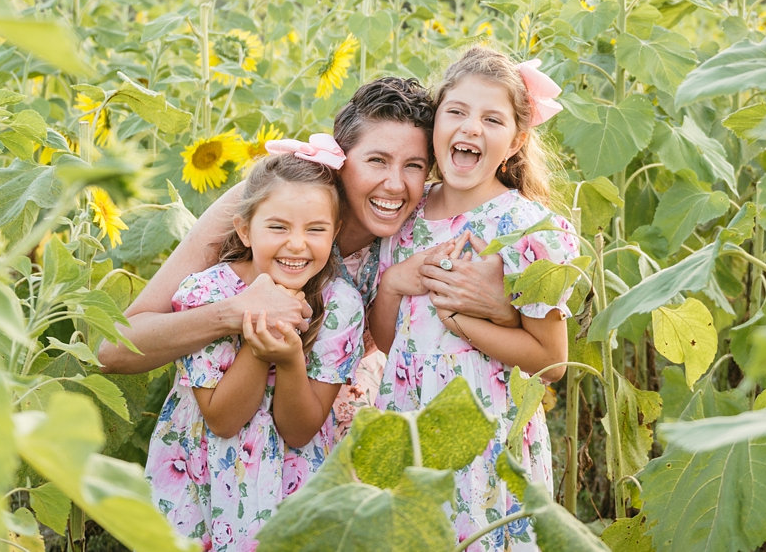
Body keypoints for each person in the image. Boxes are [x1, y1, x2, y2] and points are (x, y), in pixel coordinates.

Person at [99, 76, 519, 441]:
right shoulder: (268, 206)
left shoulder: (428, 225)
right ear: (340, 157)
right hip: (216, 447)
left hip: (331, 443)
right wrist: (235, 312)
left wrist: (503, 308)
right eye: (376, 160)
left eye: (414, 166)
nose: (395, 185)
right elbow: (114, 350)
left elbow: (489, 320)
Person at [371, 48, 580, 551]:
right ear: (436, 122)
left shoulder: (530, 232)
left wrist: (463, 322)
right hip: (409, 429)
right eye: (457, 111)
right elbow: (386, 340)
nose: (471, 128)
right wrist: (395, 284)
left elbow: (552, 362)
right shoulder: (407, 215)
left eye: (492, 119)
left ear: (516, 141)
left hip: (490, 442)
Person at [144, 144, 362, 551]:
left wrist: (290, 357)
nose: (297, 244)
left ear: (334, 232)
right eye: (278, 227)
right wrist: (259, 347)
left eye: (315, 229)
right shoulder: (207, 293)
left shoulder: (339, 306)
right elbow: (223, 421)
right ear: (245, 229)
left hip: (293, 485)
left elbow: (299, 431)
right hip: (205, 480)